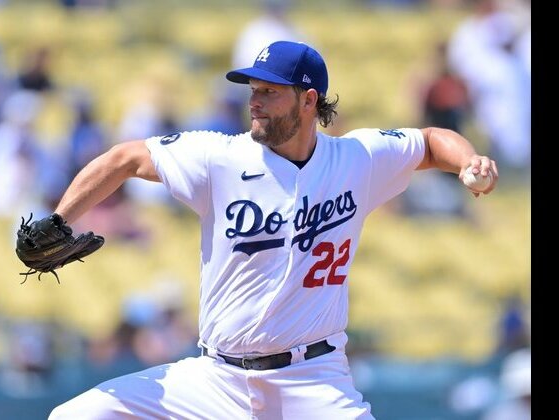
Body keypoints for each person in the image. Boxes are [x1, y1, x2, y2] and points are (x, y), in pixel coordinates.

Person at [47, 40, 498, 419]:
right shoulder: (219, 157)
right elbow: (125, 159)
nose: (255, 101)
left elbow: (431, 140)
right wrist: (60, 220)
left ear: (308, 100)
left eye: (269, 91)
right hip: (216, 381)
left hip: (313, 379)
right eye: (253, 90)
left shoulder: (356, 158)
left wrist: (468, 161)